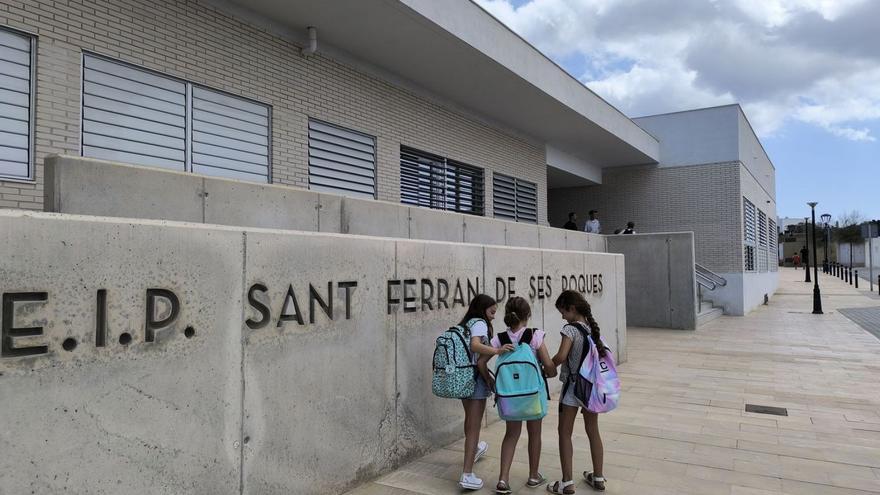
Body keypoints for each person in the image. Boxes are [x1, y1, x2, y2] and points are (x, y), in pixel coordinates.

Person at [478, 297, 556, 494]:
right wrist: (551, 372)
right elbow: (548, 365)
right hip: (532, 396)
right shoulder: (535, 336)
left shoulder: (500, 339)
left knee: (511, 435)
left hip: (509, 397)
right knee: (535, 434)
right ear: (527, 315)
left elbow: (480, 363)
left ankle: (503, 480)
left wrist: (490, 380)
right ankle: (533, 475)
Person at [547, 290, 607, 494]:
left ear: (572, 309)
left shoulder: (570, 330)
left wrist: (548, 366)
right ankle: (598, 477)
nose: (562, 316)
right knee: (593, 431)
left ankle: (567, 483)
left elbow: (562, 356)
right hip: (592, 388)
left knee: (564, 433)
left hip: (573, 388)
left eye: (563, 311)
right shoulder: (592, 329)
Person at [457, 294, 515, 491]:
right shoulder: (480, 324)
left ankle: (473, 451)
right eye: (491, 312)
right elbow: (475, 346)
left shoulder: (466, 323)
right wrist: (497, 351)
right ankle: (467, 474)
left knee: (470, 422)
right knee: (474, 428)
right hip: (474, 380)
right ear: (482, 310)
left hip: (461, 378)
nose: (492, 317)